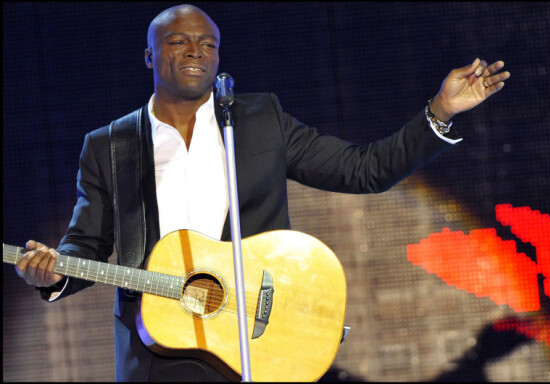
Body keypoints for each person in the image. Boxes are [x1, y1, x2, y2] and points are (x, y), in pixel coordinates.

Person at [14, 3, 510, 382]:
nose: (196, 52)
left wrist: (440, 112)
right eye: (179, 41)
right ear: (148, 55)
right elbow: (87, 246)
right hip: (158, 351)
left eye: (208, 45)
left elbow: (366, 170)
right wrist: (51, 273)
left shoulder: (256, 120)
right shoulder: (109, 145)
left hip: (258, 339)